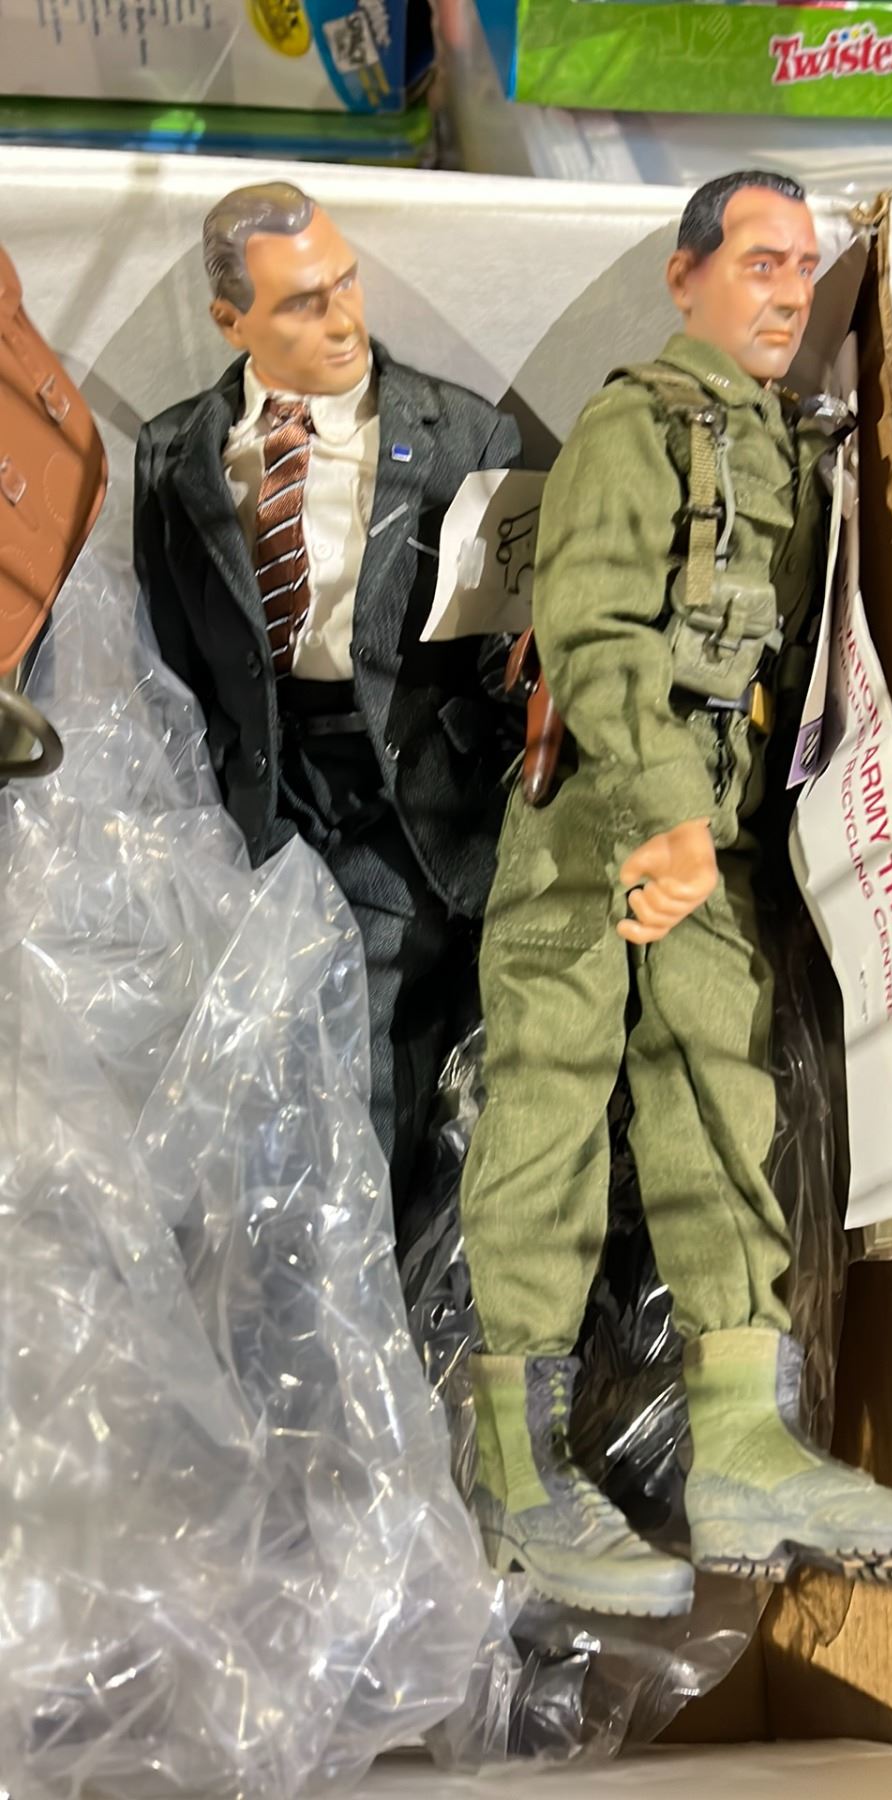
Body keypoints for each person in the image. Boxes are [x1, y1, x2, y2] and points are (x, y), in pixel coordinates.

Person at [459, 169, 892, 1615]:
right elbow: (592, 624)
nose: (789, 293)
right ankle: (513, 1464)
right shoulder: (641, 421)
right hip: (601, 813)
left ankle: (745, 1445)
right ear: (686, 276)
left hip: (724, 816)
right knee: (551, 1105)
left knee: (723, 1106)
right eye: (760, 262)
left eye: (806, 268)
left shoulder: (794, 446)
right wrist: (664, 817)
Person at [133, 182, 522, 1213]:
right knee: (248, 1037)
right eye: (303, 303)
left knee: (368, 1032)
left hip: (400, 784)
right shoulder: (175, 454)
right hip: (258, 783)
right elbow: (171, 648)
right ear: (232, 322)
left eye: (345, 283)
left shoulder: (463, 437)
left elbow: (502, 648)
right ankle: (274, 1246)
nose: (344, 318)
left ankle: (365, 1261)